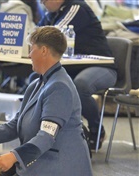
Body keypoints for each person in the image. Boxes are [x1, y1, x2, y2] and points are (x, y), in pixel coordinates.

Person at [0, 26, 96, 176]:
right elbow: (14, 126)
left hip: (59, 165)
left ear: (43, 50)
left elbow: (46, 137)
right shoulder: (38, 82)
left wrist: (13, 156)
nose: (29, 54)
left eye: (31, 48)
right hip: (40, 158)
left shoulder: (59, 87)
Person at [37, 0, 117, 150]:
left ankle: (96, 129)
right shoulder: (52, 13)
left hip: (101, 66)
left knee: (81, 86)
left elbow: (52, 36)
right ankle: (43, 132)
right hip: (74, 67)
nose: (42, 3)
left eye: (44, 0)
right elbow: (34, 35)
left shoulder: (77, 7)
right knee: (37, 80)